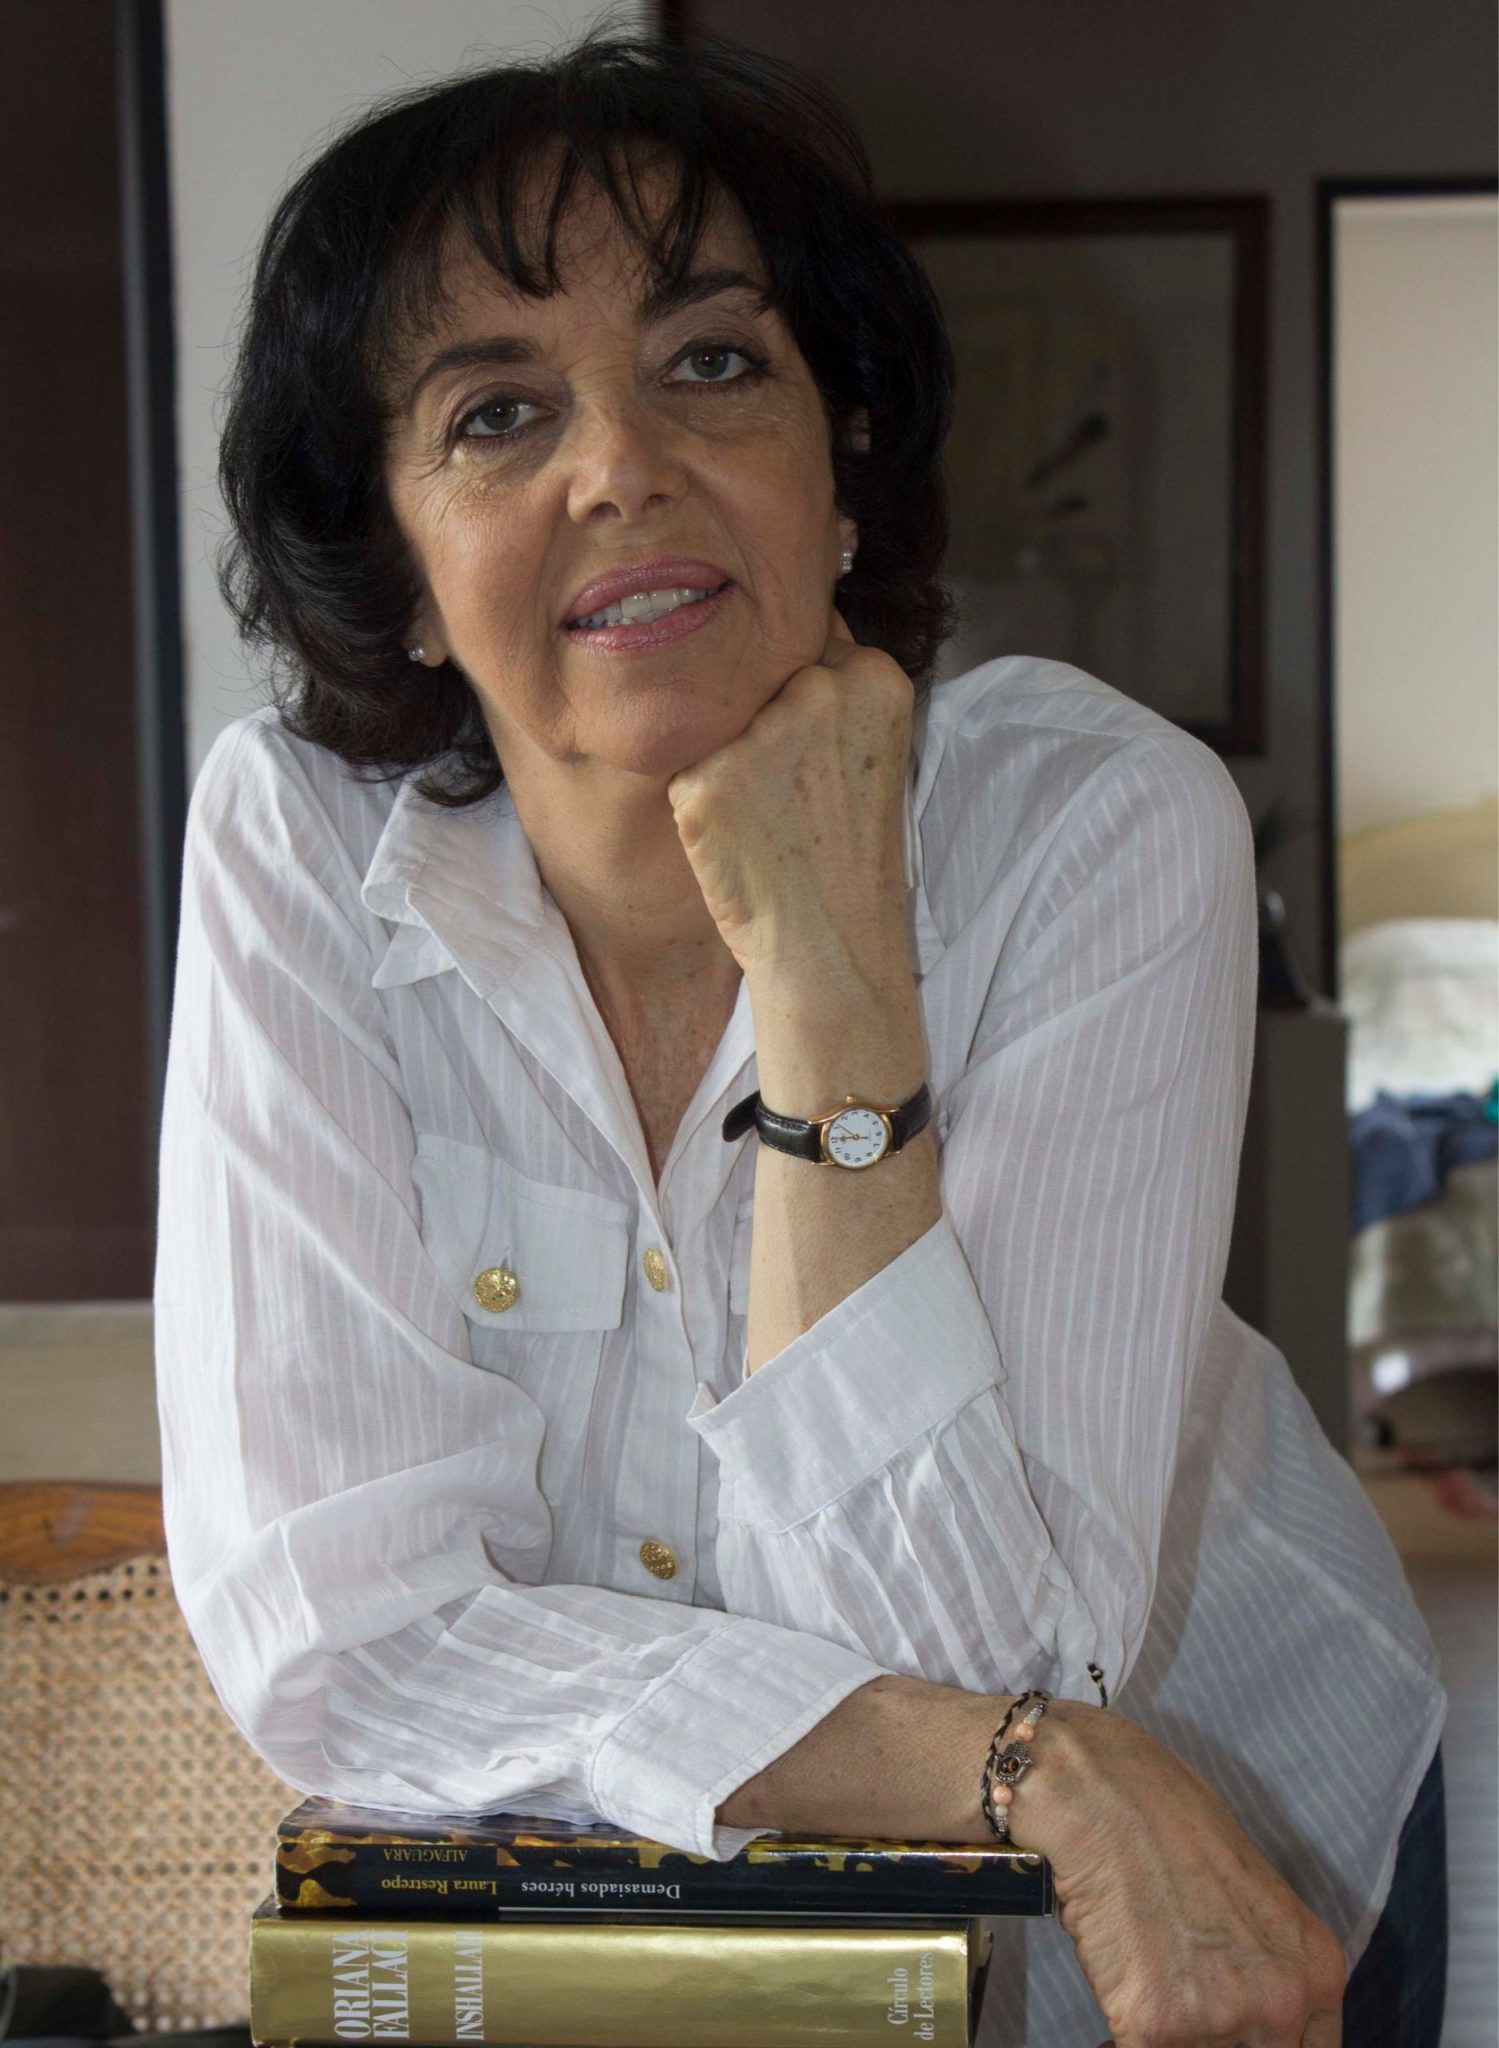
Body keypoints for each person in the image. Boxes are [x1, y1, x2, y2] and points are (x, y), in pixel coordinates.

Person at [153, 24, 1447, 2047]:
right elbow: (342, 1640)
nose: (621, 465)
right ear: (397, 569)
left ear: (838, 469)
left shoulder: (1096, 830)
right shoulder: (295, 847)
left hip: (1183, 1878)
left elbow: (1000, 1647)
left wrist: (832, 976)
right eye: (498, 412)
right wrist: (1021, 1763)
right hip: (703, 1910)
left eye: (712, 363)